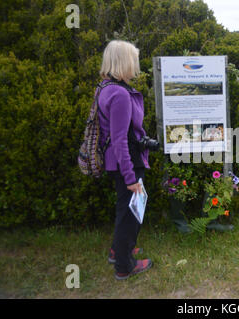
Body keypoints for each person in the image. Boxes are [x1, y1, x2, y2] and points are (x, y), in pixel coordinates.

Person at [97, 40, 152, 280]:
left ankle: (118, 249)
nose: (136, 65)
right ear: (124, 61)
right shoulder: (119, 94)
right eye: (133, 60)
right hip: (126, 161)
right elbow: (119, 139)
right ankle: (124, 265)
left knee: (125, 208)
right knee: (130, 213)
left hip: (119, 161)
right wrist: (130, 177)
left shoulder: (106, 87)